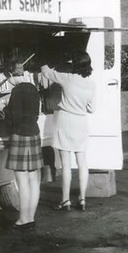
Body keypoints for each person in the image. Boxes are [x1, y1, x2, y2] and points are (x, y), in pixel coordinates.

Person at [40, 51, 96, 212]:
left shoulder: (67, 79)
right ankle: (82, 198)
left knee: (66, 164)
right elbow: (92, 109)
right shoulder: (91, 84)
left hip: (66, 120)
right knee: (82, 161)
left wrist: (47, 60)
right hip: (81, 121)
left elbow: (46, 72)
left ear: (75, 64)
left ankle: (65, 200)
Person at [0, 61, 44, 230]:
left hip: (20, 135)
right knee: (33, 179)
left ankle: (23, 219)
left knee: (22, 180)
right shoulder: (33, 88)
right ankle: (30, 218)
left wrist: (3, 108)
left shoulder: (16, 91)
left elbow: (14, 119)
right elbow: (35, 114)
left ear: (9, 75)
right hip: (34, 133)